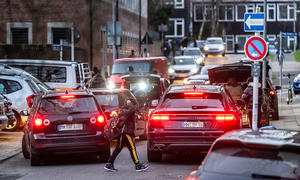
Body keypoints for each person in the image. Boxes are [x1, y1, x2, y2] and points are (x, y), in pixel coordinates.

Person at [104, 98, 149, 172]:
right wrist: (130, 103)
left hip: (123, 132)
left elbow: (135, 111)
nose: (134, 106)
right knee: (132, 148)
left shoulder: (124, 110)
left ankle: (109, 163)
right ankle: (138, 165)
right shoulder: (127, 110)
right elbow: (132, 109)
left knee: (118, 148)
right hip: (126, 132)